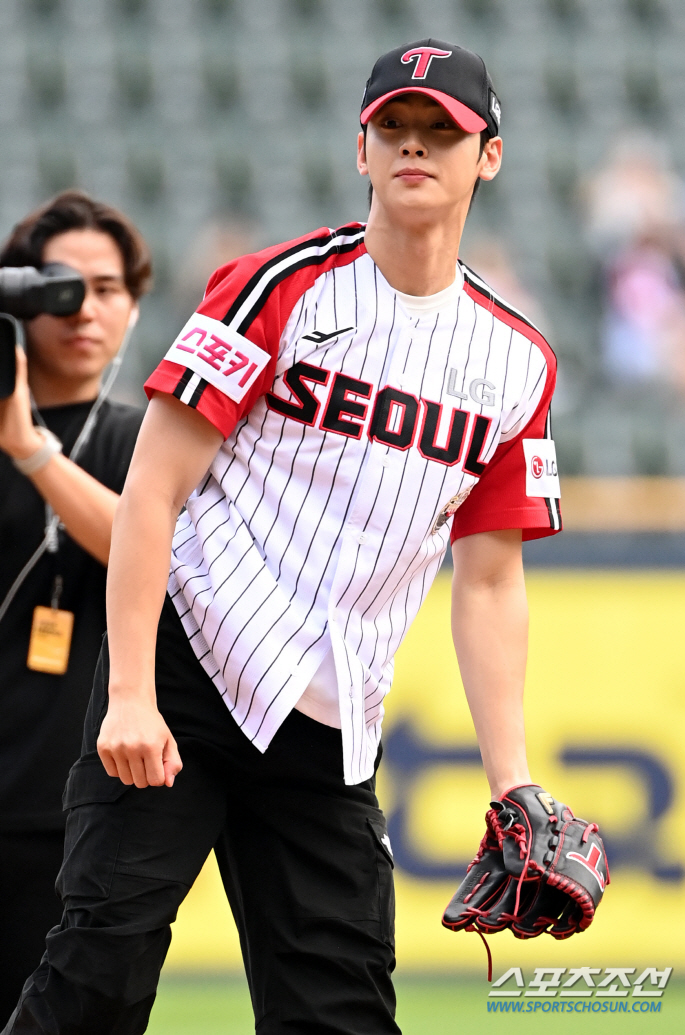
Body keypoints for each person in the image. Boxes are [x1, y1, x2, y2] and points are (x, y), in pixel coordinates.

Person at [5, 41, 576, 1034]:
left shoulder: (517, 362)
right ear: (360, 149)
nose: (414, 145)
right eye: (393, 127)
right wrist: (132, 693)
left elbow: (488, 585)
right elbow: (153, 491)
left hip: (332, 720)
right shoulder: (277, 286)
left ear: (487, 156)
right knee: (98, 971)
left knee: (342, 1010)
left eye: (441, 130)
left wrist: (511, 781)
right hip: (190, 671)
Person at [0, 190, 151, 1017]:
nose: (82, 309)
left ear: (134, 306)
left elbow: (147, 547)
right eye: (57, 288)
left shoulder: (146, 440)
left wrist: (29, 448)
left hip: (85, 807)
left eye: (106, 288)